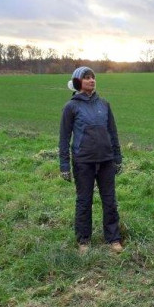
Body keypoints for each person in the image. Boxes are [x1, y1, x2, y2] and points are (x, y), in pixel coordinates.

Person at [59, 67, 123, 253]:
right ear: (78, 82)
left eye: (93, 77)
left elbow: (113, 132)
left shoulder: (104, 104)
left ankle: (113, 238)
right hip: (83, 161)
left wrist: (117, 157)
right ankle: (83, 241)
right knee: (84, 201)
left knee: (110, 200)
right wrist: (64, 164)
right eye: (86, 78)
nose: (91, 80)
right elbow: (64, 137)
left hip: (106, 160)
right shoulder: (71, 107)